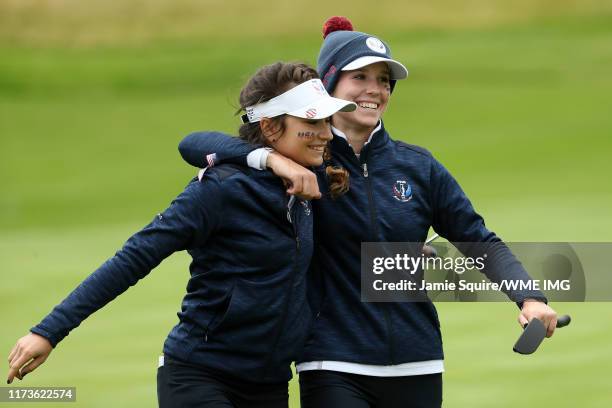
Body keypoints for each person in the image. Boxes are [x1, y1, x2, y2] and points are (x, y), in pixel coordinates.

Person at [177, 17, 560, 408]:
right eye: (359, 77)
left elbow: (478, 240)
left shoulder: (418, 167)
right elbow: (195, 144)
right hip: (331, 362)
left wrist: (529, 298)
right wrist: (272, 160)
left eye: (383, 81)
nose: (374, 90)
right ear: (327, 87)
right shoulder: (301, 158)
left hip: (418, 360)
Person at [6, 61, 356, 408]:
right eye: (312, 122)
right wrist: (49, 331)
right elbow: (135, 256)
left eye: (326, 121)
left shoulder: (311, 184)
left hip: (271, 385)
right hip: (202, 377)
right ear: (269, 127)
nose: (326, 133)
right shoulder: (219, 191)